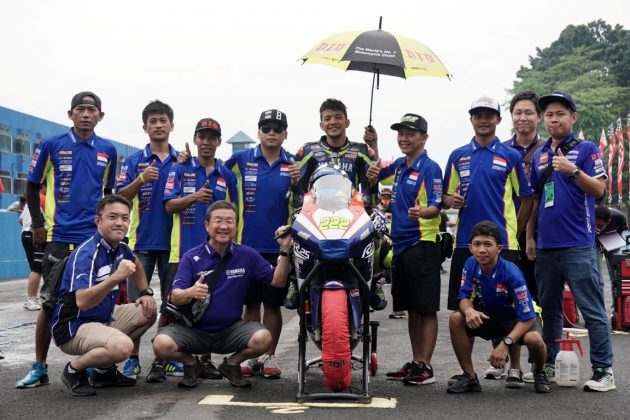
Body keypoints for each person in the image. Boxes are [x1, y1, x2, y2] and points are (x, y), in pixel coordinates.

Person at [16, 91, 117, 389]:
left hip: (92, 240)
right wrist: (38, 225)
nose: (86, 114)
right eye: (80, 109)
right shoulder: (51, 145)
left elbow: (109, 195)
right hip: (59, 238)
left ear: (100, 116)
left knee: (96, 300)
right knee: (49, 303)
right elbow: (31, 186)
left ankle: (96, 365)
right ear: (70, 114)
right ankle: (40, 366)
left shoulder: (108, 150)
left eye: (91, 110)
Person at [151, 201, 293, 389]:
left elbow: (278, 281)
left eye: (229, 221)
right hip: (193, 332)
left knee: (264, 339)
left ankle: (232, 364)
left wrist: (285, 250)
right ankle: (191, 363)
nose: (224, 226)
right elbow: (174, 296)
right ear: (206, 225)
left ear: (236, 226)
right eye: (218, 221)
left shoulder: (247, 255)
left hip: (230, 331)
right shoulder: (191, 257)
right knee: (161, 345)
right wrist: (190, 292)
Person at [442, 96, 534, 384]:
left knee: (510, 306)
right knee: (463, 308)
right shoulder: (457, 155)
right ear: (471, 119)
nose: (483, 120)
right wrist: (450, 200)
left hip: (504, 244)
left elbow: (527, 198)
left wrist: (515, 233)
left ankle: (515, 367)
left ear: (498, 120)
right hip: (465, 244)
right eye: (478, 115)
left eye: (489, 115)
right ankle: (468, 374)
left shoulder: (511, 156)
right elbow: (444, 196)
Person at [526, 91, 615, 392]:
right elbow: (536, 201)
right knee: (548, 308)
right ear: (543, 119)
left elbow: (599, 190)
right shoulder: (539, 155)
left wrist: (573, 171)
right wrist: (530, 236)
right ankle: (549, 364)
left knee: (592, 309)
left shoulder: (587, 149)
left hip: (578, 244)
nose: (554, 119)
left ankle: (603, 371)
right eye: (549, 115)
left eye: (560, 114)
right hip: (546, 246)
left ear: (573, 117)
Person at [50, 195, 157, 396]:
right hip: (74, 326)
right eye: (113, 217)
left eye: (125, 218)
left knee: (148, 311)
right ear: (98, 220)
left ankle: (104, 371)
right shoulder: (87, 253)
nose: (120, 223)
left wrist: (145, 292)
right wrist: (116, 277)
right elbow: (82, 301)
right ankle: (73, 370)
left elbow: (136, 264)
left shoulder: (121, 248)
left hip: (102, 319)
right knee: (123, 347)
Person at [367, 113, 443, 386]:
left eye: (411, 133)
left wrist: (423, 212)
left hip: (422, 243)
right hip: (399, 246)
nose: (404, 138)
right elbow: (377, 170)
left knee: (426, 308)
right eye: (401, 133)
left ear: (424, 138)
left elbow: (437, 204)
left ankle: (426, 365)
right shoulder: (400, 165)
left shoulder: (430, 167)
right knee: (411, 308)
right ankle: (416, 360)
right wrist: (373, 144)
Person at [224, 109, 300, 379]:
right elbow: (212, 171)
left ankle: (269, 356)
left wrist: (298, 181)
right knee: (250, 306)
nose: (271, 133)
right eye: (266, 128)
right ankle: (250, 356)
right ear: (258, 133)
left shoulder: (293, 164)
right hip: (246, 247)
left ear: (285, 134)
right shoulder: (241, 159)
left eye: (277, 129)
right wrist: (186, 162)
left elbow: (303, 199)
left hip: (279, 249)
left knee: (273, 306)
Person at [160, 117, 237, 379]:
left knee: (209, 307)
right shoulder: (180, 168)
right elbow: (168, 206)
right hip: (181, 251)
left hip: (215, 254)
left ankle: (205, 361)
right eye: (201, 137)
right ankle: (160, 361)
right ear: (195, 139)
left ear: (219, 142)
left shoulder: (226, 175)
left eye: (211, 138)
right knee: (170, 307)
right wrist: (194, 197)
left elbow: (234, 214)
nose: (206, 142)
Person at [116, 100, 186, 379]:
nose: (158, 125)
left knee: (172, 305)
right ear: (144, 127)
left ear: (172, 126)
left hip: (174, 245)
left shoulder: (183, 160)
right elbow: (119, 198)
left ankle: (163, 358)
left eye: (163, 120)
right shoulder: (134, 161)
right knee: (138, 306)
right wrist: (141, 180)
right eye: (153, 121)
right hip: (141, 244)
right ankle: (132, 358)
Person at [293, 98, 385, 310]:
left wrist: (372, 182)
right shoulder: (307, 151)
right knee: (294, 235)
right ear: (321, 124)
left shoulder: (362, 151)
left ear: (347, 122)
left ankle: (374, 283)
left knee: (378, 234)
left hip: (352, 215)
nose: (333, 122)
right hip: (316, 216)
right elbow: (298, 190)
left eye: (338, 117)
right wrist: (294, 183)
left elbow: (371, 190)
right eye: (327, 118)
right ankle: (294, 282)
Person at [447, 221, 550, 394]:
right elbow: (464, 298)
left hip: (517, 318)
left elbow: (527, 317)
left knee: (534, 339)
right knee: (456, 318)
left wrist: (505, 344)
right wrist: (469, 310)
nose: (482, 250)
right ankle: (470, 377)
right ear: (470, 248)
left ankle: (539, 371)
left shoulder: (512, 273)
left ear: (499, 248)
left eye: (488, 244)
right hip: (491, 315)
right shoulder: (470, 264)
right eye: (477, 244)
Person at [18, 184, 46, 310]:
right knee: (37, 268)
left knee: (36, 268)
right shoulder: (42, 198)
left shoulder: (31, 201)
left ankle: (33, 298)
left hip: (25, 234)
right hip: (35, 234)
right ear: (43, 187)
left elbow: (20, 220)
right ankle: (31, 298)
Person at [595, 206, 628, 307]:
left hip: (611, 240)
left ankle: (616, 308)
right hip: (594, 243)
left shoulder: (620, 217)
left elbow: (620, 231)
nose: (597, 227)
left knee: (616, 276)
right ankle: (599, 309)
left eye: (600, 225)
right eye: (596, 224)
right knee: (597, 278)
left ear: (608, 221)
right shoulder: (589, 215)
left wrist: (611, 242)